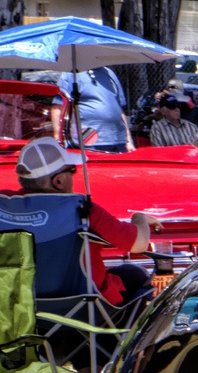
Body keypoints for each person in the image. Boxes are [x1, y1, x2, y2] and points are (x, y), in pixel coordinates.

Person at [12, 137, 156, 313]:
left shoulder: (1, 207)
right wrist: (139, 217)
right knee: (135, 274)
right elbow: (139, 244)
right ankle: (115, 340)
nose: (74, 175)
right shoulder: (82, 209)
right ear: (58, 181)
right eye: (72, 170)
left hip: (23, 305)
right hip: (83, 308)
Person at [56, 66, 130, 152]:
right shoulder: (70, 74)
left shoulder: (109, 73)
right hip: (89, 139)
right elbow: (58, 106)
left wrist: (128, 140)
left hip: (118, 139)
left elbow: (119, 108)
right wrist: (58, 139)